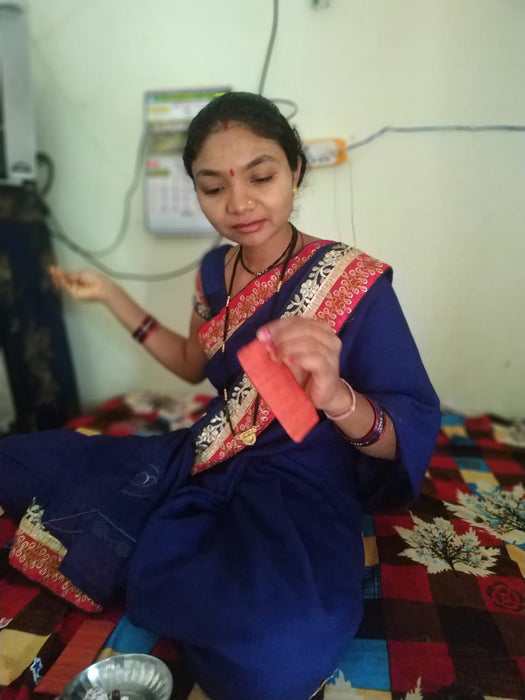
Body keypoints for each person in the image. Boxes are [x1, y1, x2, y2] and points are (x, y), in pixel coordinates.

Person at [0, 92, 441, 700]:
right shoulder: (214, 272)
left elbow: (407, 431)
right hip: (206, 455)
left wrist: (337, 397)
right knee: (19, 460)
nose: (239, 203)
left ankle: (163, 565)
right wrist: (108, 295)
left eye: (260, 176)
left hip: (301, 481)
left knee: (278, 658)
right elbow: (191, 365)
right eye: (212, 188)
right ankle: (172, 561)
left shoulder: (354, 282)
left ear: (295, 170)